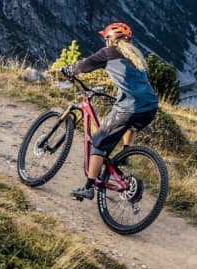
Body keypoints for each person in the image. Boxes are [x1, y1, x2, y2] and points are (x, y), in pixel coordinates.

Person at [61, 22, 159, 200]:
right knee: (131, 125)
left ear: (110, 39)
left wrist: (69, 69)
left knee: (99, 142)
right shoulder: (136, 55)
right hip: (150, 107)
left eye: (105, 38)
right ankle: (125, 154)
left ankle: (89, 187)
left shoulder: (108, 53)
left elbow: (85, 65)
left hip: (130, 107)